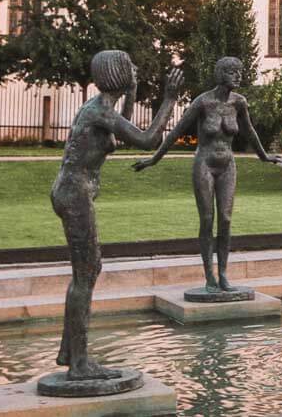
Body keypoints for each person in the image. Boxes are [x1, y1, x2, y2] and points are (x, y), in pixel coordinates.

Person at [48, 50, 182, 386]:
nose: (136, 67)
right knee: (86, 272)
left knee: (88, 270)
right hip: (74, 193)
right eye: (130, 66)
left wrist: (133, 93)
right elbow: (147, 139)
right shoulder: (99, 111)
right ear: (117, 73)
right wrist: (168, 100)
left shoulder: (102, 108)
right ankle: (79, 363)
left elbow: (119, 131)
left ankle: (71, 353)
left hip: (75, 191)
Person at [133, 56, 279, 295]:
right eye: (233, 72)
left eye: (239, 71)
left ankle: (223, 273)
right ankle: (209, 275)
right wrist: (153, 159)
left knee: (226, 219)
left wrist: (264, 156)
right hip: (205, 163)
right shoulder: (203, 102)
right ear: (221, 74)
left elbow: (250, 132)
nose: (239, 76)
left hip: (227, 163)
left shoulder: (239, 102)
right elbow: (176, 131)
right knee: (208, 219)